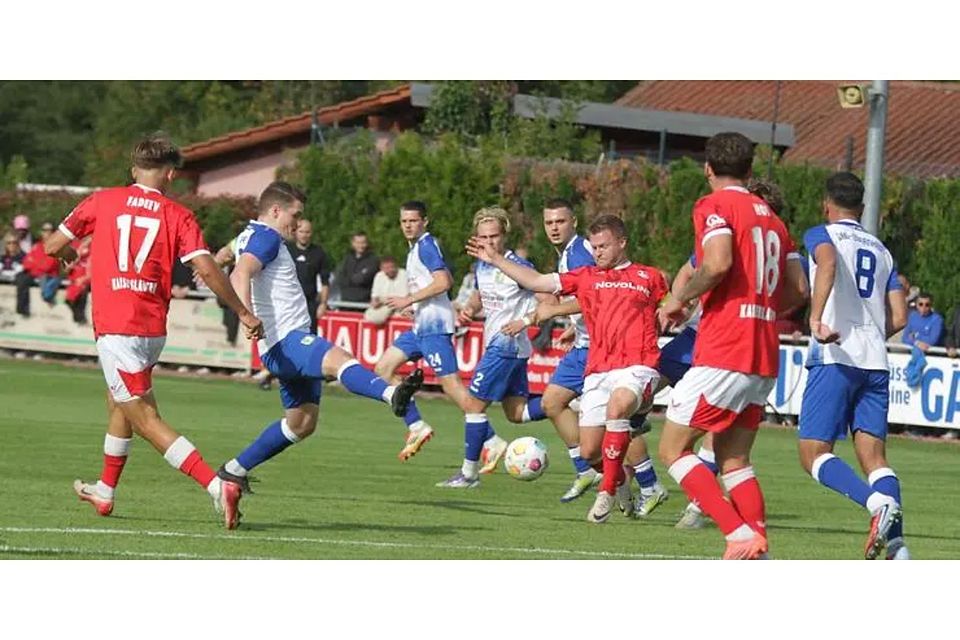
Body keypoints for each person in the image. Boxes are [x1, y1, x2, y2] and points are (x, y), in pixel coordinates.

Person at [44, 133, 264, 529]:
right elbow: (207, 268)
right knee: (119, 402)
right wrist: (242, 312)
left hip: (117, 326)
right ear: (170, 174)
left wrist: (67, 254)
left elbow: (52, 245)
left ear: (133, 170)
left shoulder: (103, 200)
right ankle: (105, 491)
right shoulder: (178, 215)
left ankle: (217, 487)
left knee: (144, 418)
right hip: (150, 329)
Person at [216, 182, 425, 509]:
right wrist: (245, 315)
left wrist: (212, 264)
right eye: (294, 215)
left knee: (301, 424)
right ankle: (391, 395)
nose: (297, 224)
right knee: (341, 359)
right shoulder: (268, 237)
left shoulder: (248, 235)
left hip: (280, 345)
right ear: (275, 211)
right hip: (287, 339)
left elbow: (228, 258)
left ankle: (233, 471)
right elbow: (240, 274)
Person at [658, 132, 807, 559]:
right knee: (733, 456)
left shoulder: (714, 205)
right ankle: (757, 540)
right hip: (763, 353)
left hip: (725, 349)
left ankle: (737, 533)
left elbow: (718, 262)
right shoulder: (775, 222)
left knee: (673, 449)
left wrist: (680, 299)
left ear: (708, 169)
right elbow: (799, 290)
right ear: (748, 170)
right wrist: (758, 304)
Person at [467, 214, 667, 524]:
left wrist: (675, 310)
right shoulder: (586, 276)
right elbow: (535, 281)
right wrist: (495, 259)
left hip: (638, 366)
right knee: (589, 452)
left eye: (604, 246)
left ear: (622, 243)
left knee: (619, 406)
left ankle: (607, 493)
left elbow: (676, 303)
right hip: (599, 370)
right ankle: (623, 484)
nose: (598, 252)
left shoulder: (650, 277)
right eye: (596, 246)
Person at [523, 199, 667, 513]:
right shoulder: (570, 257)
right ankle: (620, 479)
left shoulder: (580, 253)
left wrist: (556, 312)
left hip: (609, 353)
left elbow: (604, 292)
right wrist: (578, 325)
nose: (553, 228)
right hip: (593, 348)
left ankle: (618, 482)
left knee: (602, 411)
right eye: (548, 223)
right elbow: (595, 297)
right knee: (590, 428)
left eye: (559, 221)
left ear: (573, 223)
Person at [798, 172, 909, 560]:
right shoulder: (881, 250)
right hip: (876, 361)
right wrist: (873, 331)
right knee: (875, 459)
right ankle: (898, 550)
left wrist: (815, 320)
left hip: (837, 355)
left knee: (813, 453)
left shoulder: (821, 233)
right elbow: (899, 314)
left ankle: (875, 505)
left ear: (826, 205)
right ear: (861, 209)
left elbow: (826, 264)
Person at [435, 207, 549, 488]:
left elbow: (548, 299)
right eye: (484, 237)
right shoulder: (483, 265)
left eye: (495, 236)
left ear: (505, 235)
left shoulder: (517, 266)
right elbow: (479, 294)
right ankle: (572, 403)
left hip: (506, 346)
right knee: (516, 412)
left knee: (473, 405)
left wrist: (525, 320)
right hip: (504, 346)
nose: (489, 242)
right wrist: (470, 309)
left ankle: (469, 474)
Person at [374, 201, 456, 462]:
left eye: (413, 220)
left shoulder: (427, 245)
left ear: (425, 221)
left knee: (453, 390)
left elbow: (444, 282)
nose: (408, 225)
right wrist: (416, 305)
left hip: (435, 328)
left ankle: (490, 440)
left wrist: (409, 299)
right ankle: (416, 425)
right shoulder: (414, 249)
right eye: (404, 221)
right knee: (383, 369)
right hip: (420, 325)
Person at [288, 218, 331, 333]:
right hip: (288, 301)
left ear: (311, 233)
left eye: (307, 232)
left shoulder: (318, 253)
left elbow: (325, 281)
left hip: (309, 303)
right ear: (295, 232)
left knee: (309, 336)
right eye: (301, 231)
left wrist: (323, 304)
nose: (304, 235)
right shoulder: (286, 250)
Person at [15, 221, 61, 316]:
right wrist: (36, 264)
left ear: (54, 232)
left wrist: (34, 263)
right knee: (21, 277)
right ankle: (22, 309)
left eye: (50, 230)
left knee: (45, 284)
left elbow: (48, 266)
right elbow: (26, 262)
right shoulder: (37, 246)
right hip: (36, 274)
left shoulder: (57, 247)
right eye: (44, 230)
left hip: (48, 276)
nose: (47, 232)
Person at [334, 231, 378, 305]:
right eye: (358, 242)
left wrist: (350, 279)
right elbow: (339, 277)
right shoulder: (347, 258)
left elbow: (362, 279)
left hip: (363, 303)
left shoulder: (373, 260)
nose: (360, 245)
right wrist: (353, 279)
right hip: (345, 301)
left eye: (363, 242)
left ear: (367, 243)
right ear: (353, 243)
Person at [364, 255, 408, 325]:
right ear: (382, 268)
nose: (390, 270)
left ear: (396, 266)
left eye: (392, 267)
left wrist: (384, 300)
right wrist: (376, 302)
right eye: (387, 268)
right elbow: (375, 297)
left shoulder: (404, 274)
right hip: (384, 307)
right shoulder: (379, 276)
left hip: (401, 310)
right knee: (370, 316)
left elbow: (406, 296)